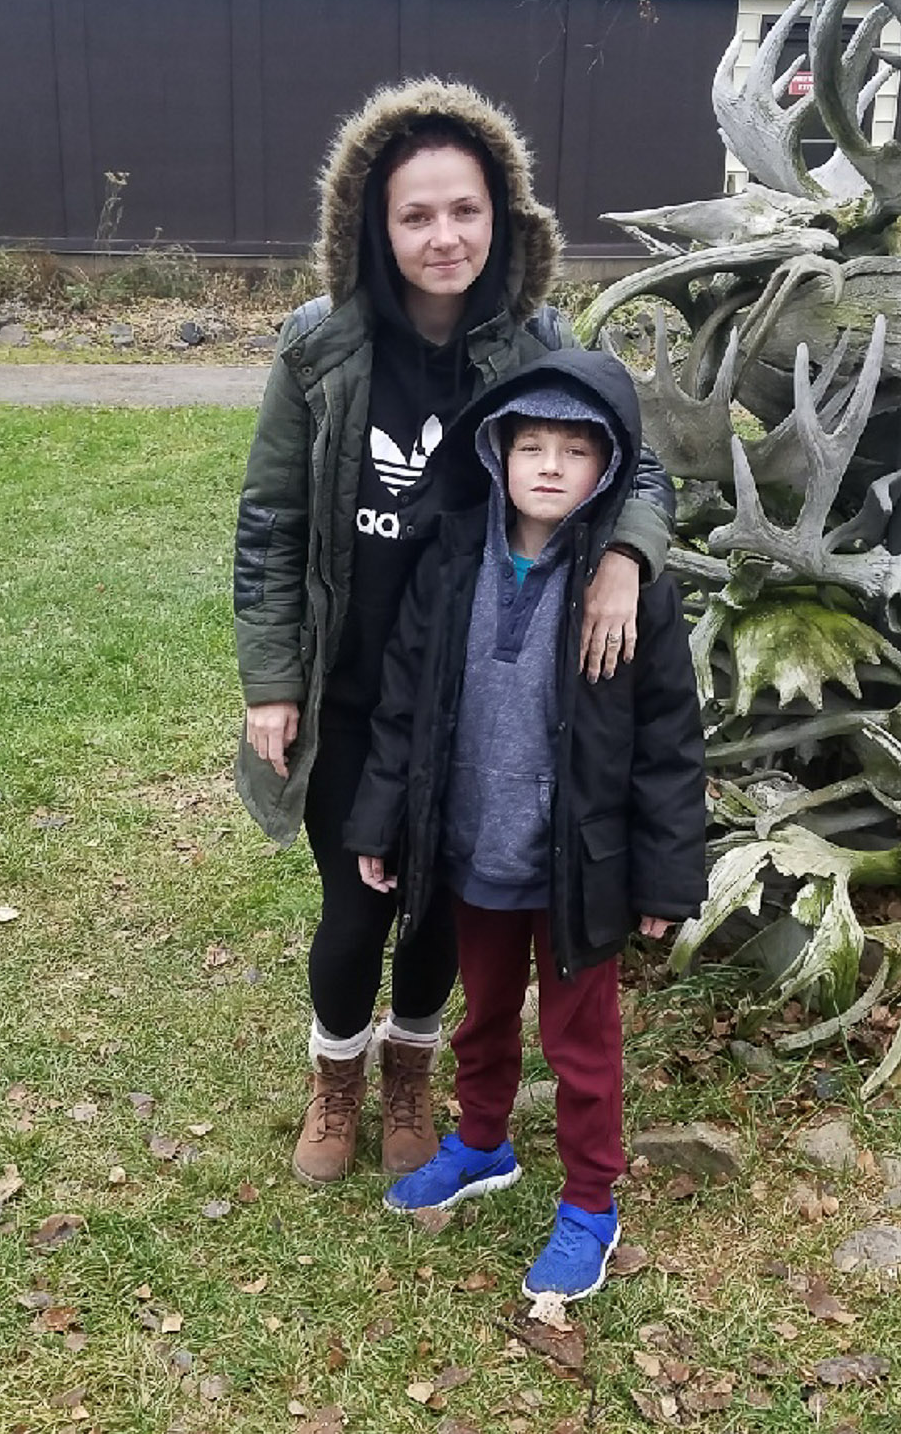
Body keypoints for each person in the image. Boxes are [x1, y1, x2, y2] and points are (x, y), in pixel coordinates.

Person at [233, 77, 676, 1186]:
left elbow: (641, 469)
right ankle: (338, 1075)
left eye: (465, 210)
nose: (444, 237)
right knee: (357, 903)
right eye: (416, 215)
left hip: (476, 691)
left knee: (440, 901)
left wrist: (624, 559)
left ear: (502, 216)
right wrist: (271, 681)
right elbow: (271, 520)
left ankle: (412, 1073)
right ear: (373, 227)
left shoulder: (539, 345)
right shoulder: (319, 350)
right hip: (351, 691)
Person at [345, 348, 707, 1302]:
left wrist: (667, 877)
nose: (550, 467)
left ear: (609, 468)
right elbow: (402, 707)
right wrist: (382, 820)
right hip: (475, 843)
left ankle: (591, 1201)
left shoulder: (633, 591)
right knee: (484, 1010)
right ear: (496, 453)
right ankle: (481, 1142)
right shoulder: (448, 564)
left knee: (580, 1040)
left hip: (579, 862)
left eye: (576, 451)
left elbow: (670, 743)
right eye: (532, 446)